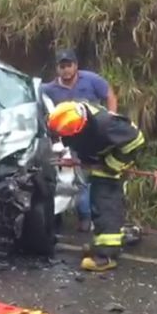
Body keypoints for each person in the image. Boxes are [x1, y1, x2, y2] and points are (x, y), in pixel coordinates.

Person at [46, 100, 145, 272]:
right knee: (97, 203)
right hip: (97, 160)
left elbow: (136, 140)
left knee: (105, 203)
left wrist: (111, 165)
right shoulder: (70, 114)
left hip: (109, 163)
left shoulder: (106, 125)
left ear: (82, 127)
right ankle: (102, 244)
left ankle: (106, 256)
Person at [41, 49, 118, 232]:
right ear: (57, 69)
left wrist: (112, 117)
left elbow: (109, 94)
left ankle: (93, 215)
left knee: (94, 174)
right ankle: (82, 217)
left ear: (76, 66)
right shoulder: (49, 89)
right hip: (69, 140)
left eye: (69, 66)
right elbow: (37, 97)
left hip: (94, 135)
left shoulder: (91, 80)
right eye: (62, 67)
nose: (66, 70)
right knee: (76, 177)